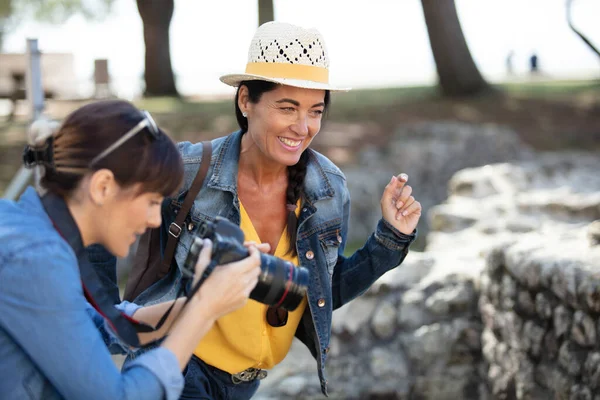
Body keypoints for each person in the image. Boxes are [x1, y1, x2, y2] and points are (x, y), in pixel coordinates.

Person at [90, 21, 422, 399]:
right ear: (246, 100)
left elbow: (319, 294)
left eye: (315, 110)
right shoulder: (187, 170)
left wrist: (390, 239)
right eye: (287, 107)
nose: (303, 126)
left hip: (246, 384)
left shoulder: (329, 189)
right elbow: (97, 206)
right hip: (176, 369)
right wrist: (104, 318)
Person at [0, 100, 263, 400]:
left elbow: (95, 328)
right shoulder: (35, 258)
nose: (154, 220)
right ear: (103, 187)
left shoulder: (27, 233)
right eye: (152, 201)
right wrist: (203, 309)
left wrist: (204, 298)